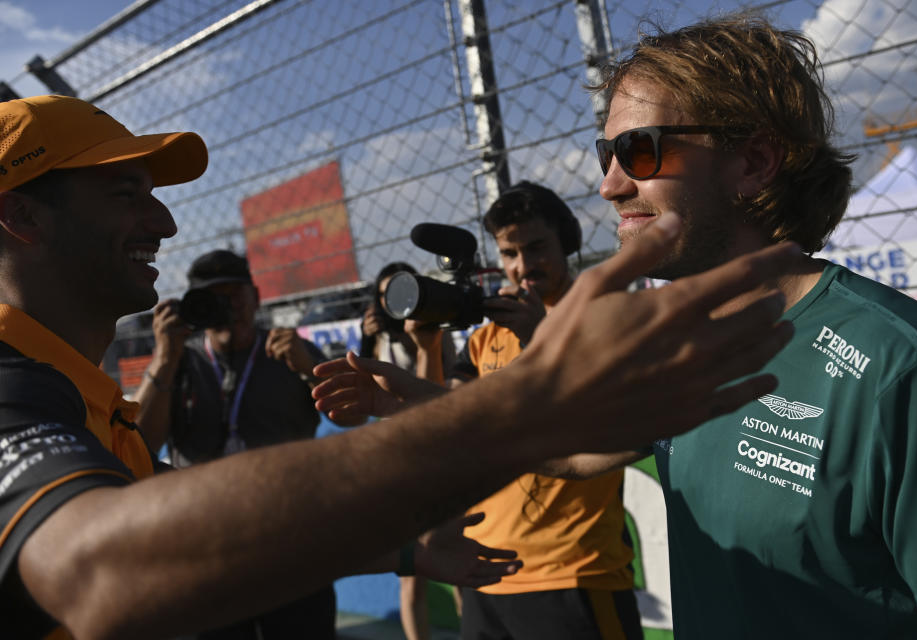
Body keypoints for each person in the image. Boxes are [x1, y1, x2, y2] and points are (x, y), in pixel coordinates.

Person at [0, 94, 799, 640]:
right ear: (21, 214)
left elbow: (145, 515)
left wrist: (399, 551)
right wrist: (523, 409)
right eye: (124, 192)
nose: (164, 218)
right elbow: (93, 566)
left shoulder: (70, 387)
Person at [591, 14, 917, 639]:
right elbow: (568, 446)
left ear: (755, 161)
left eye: (640, 150)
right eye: (608, 153)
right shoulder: (681, 346)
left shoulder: (904, 369)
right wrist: (415, 406)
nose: (610, 185)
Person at [416, 180, 644, 639]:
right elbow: (440, 429)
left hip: (575, 572)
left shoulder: (607, 315)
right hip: (487, 573)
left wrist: (542, 341)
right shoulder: (484, 336)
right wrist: (426, 347)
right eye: (509, 253)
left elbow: (611, 423)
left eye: (536, 247)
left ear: (569, 241)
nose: (523, 267)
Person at [132, 248, 337, 638]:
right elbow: (141, 443)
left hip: (290, 542)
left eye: (235, 295)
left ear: (256, 298)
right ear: (194, 306)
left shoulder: (288, 351)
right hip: (206, 548)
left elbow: (352, 417)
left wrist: (310, 371)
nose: (227, 307)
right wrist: (164, 359)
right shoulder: (180, 361)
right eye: (214, 297)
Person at [360, 260, 456, 640]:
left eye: (399, 292)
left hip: (439, 456)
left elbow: (437, 392)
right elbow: (364, 394)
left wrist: (422, 340)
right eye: (384, 296)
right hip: (396, 463)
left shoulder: (432, 331)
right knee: (411, 573)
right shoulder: (378, 338)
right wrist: (367, 341)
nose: (392, 302)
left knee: (457, 563)